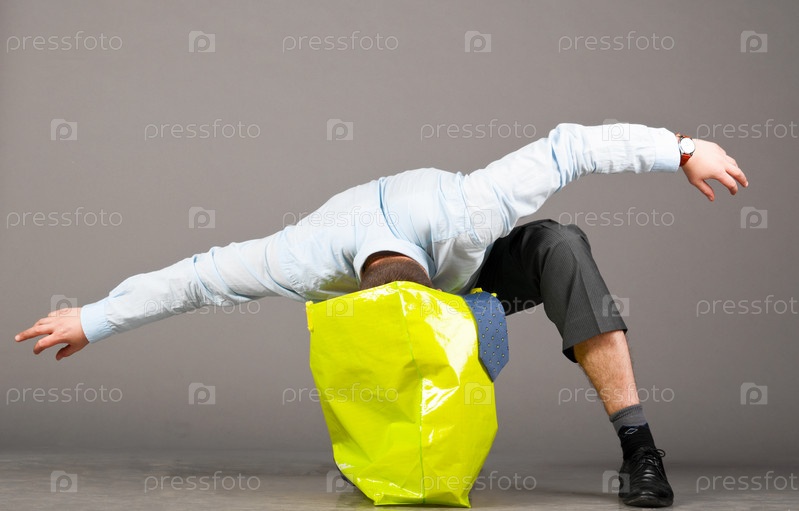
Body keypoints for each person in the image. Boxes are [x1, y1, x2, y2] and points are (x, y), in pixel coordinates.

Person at [15, 123, 748, 508]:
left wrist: (682, 149)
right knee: (388, 370)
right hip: (400, 298)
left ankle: (639, 448)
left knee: (562, 244)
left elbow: (572, 147)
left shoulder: (474, 204)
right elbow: (196, 277)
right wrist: (96, 318)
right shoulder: (304, 256)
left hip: (476, 275)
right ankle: (392, 457)